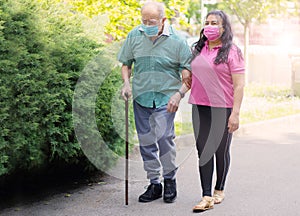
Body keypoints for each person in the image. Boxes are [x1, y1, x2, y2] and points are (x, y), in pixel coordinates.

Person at [118, 1, 192, 203]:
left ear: (163, 20)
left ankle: (169, 180)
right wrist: (126, 83)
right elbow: (126, 63)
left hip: (165, 99)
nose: (147, 24)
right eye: (144, 20)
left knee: (164, 139)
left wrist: (179, 94)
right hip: (141, 98)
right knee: (146, 142)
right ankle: (154, 183)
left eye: (151, 21)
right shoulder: (135, 35)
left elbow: (188, 75)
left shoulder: (177, 41)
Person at [189, 10, 245, 212]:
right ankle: (206, 195)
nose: (209, 26)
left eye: (215, 23)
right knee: (203, 151)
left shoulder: (232, 52)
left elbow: (239, 85)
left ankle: (219, 188)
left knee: (220, 151)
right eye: (207, 22)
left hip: (223, 108)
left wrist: (235, 113)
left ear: (224, 28)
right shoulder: (198, 49)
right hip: (200, 105)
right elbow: (189, 72)